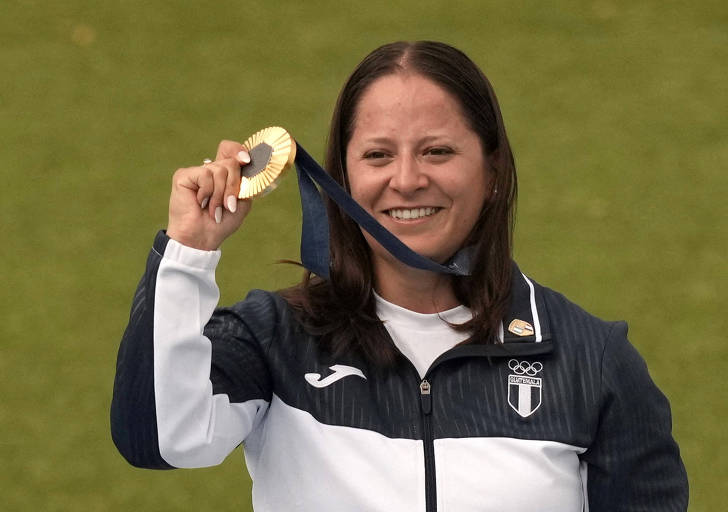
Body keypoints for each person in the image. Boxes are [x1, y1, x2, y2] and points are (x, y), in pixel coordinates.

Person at [111, 41, 688, 511]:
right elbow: (160, 438)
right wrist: (189, 251)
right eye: (378, 155)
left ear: (492, 171)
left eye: (437, 151)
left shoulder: (591, 361)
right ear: (341, 180)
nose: (408, 180)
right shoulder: (276, 340)